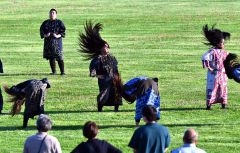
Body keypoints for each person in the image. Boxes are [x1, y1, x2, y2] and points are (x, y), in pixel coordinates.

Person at [79, 21, 122, 112]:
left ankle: (116, 108)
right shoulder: (97, 59)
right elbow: (92, 72)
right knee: (104, 94)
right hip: (104, 81)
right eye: (105, 47)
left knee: (116, 93)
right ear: (101, 48)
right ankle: (100, 109)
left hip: (114, 79)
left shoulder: (112, 58)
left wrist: (117, 77)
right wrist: (99, 76)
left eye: (108, 47)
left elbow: (116, 69)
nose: (107, 48)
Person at [201, 24, 230, 110]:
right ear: (217, 43)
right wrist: (210, 68)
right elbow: (205, 58)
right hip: (214, 74)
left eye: (224, 43)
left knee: (223, 87)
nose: (223, 44)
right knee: (213, 87)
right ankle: (209, 105)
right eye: (222, 42)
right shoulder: (212, 52)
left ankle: (223, 104)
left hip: (223, 74)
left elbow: (229, 61)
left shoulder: (225, 52)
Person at [40, 8, 66, 75]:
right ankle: (53, 72)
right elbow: (41, 31)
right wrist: (45, 35)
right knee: (51, 57)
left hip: (57, 43)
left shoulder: (59, 22)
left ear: (56, 14)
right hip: (48, 43)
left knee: (59, 57)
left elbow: (63, 31)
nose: (52, 14)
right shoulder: (45, 23)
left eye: (53, 13)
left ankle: (62, 72)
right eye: (50, 13)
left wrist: (58, 35)